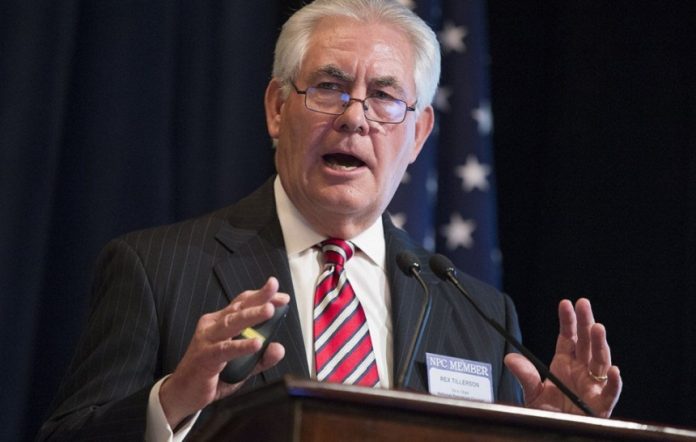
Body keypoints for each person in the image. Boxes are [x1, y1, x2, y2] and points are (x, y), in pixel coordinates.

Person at [38, 0, 622, 440]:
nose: (355, 117)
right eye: (328, 88)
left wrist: (548, 436)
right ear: (277, 108)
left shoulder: (479, 313)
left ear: (418, 134)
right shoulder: (155, 269)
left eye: (385, 97)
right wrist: (170, 402)